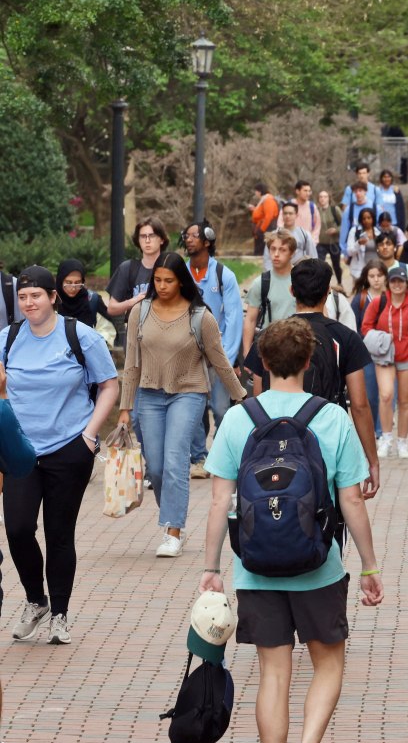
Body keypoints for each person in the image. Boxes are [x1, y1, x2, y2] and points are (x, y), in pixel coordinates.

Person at [199, 317, 383, 743]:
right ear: (308, 361)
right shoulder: (332, 417)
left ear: (262, 362)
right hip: (319, 567)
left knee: (273, 673)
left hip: (256, 567)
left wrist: (211, 568)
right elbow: (352, 501)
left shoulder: (238, 418)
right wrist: (369, 567)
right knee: (328, 664)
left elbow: (219, 501)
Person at [1, 266, 119, 645]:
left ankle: (60, 615)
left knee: (59, 534)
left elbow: (109, 385)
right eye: (23, 297)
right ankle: (36, 601)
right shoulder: (8, 338)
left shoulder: (79, 336)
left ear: (53, 297)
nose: (29, 303)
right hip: (20, 450)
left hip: (69, 447)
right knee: (18, 529)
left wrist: (89, 435)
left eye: (36, 295)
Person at [120, 252, 246, 556]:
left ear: (181, 282)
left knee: (175, 461)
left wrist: (241, 397)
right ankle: (172, 517)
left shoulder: (200, 316)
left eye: (169, 280)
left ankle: (173, 530)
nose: (162, 286)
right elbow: (131, 362)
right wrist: (125, 408)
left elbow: (220, 361)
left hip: (188, 393)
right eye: (157, 280)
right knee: (157, 467)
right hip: (148, 395)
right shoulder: (140, 312)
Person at [242, 260, 379, 498]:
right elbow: (359, 405)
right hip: (328, 436)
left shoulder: (270, 336)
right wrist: (372, 460)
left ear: (292, 290)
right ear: (328, 292)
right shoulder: (345, 337)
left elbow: (258, 397)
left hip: (278, 439)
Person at [183, 221, 244, 473]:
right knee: (194, 410)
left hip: (218, 354)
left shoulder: (223, 275)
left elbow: (234, 318)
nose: (188, 240)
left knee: (221, 409)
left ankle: (218, 454)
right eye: (186, 236)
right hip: (188, 354)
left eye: (193, 236)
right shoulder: (181, 274)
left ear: (207, 240)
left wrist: (225, 356)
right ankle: (199, 458)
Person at [362, 267, 408, 460]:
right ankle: (386, 438)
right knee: (386, 395)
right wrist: (380, 338)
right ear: (388, 283)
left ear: (407, 283)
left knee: (405, 401)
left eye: (401, 281)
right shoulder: (379, 302)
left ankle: (402, 442)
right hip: (385, 356)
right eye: (393, 281)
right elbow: (366, 327)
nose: (397, 284)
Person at [244, 230, 299, 357]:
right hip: (269, 348)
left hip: (297, 346)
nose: (276, 254)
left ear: (292, 253)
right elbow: (250, 319)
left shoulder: (301, 279)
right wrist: (247, 352)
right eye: (273, 249)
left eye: (282, 250)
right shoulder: (261, 282)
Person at [351, 260, 388, 440]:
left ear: (385, 277)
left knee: (386, 394)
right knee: (371, 394)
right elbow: (353, 326)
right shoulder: (361, 299)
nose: (376, 279)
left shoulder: (391, 297)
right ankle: (373, 427)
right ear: (366, 278)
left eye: (379, 275)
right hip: (366, 354)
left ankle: (382, 430)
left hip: (387, 353)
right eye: (372, 276)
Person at [105, 216, 169, 320]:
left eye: (152, 236)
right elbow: (112, 308)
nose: (147, 240)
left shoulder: (171, 267)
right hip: (136, 327)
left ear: (162, 239)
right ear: (138, 240)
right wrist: (134, 301)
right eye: (143, 236)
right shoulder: (127, 268)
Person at [54, 259, 110, 331]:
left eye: (78, 283)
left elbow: (107, 330)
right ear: (60, 281)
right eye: (68, 283)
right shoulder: (51, 302)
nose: (73, 288)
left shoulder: (92, 300)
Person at [265, 201, 317, 269]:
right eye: (285, 213)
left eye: (290, 213)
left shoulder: (304, 234)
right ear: (282, 215)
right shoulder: (274, 235)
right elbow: (267, 258)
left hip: (299, 270)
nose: (287, 216)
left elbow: (313, 256)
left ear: (296, 215)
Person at [341, 163, 379, 235]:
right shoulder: (350, 189)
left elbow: (380, 209)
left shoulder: (375, 189)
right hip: (354, 224)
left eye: (364, 173)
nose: (362, 176)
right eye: (359, 173)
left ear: (368, 174)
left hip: (370, 224)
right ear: (357, 174)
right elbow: (345, 208)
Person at [345, 208, 379, 286]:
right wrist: (358, 243)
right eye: (364, 218)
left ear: (373, 218)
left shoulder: (378, 232)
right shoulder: (355, 231)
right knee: (360, 293)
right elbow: (349, 252)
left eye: (369, 218)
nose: (366, 220)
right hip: (358, 271)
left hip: (375, 270)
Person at [317, 189, 345, 285]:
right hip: (321, 243)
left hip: (334, 242)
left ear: (329, 198)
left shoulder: (334, 209)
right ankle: (322, 284)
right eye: (321, 197)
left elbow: (343, 224)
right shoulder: (316, 211)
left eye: (325, 197)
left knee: (336, 265)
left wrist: (336, 230)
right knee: (319, 264)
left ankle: (340, 283)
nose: (323, 199)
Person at [281, 180, 321, 246]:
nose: (308, 193)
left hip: (307, 244)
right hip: (290, 244)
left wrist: (313, 242)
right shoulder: (288, 205)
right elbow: (280, 223)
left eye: (309, 191)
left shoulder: (312, 207)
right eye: (305, 191)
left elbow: (317, 226)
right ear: (297, 191)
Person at [248, 183, 280, 257]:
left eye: (256, 191)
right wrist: (254, 209)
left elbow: (268, 216)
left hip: (266, 230)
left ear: (259, 191)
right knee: (259, 250)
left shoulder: (268, 200)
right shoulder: (264, 199)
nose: (255, 193)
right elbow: (262, 213)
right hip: (262, 228)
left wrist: (261, 230)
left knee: (261, 251)